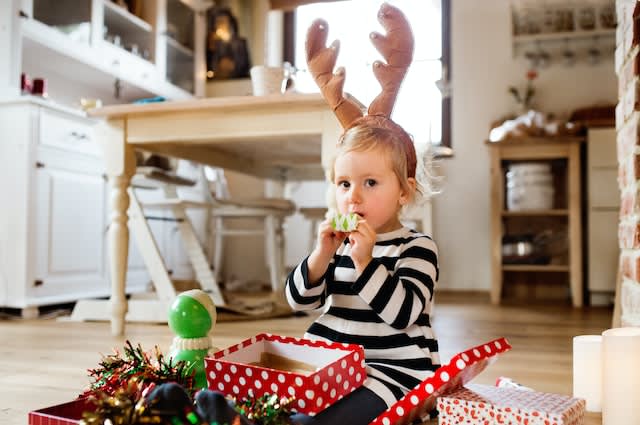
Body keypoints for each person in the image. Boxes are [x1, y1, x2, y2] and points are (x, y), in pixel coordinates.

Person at [284, 3, 440, 424]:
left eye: (371, 183)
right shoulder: (337, 244)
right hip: (331, 365)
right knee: (279, 405)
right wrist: (319, 257)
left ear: (404, 192)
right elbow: (299, 302)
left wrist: (366, 263)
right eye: (344, 184)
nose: (354, 196)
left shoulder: (417, 247)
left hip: (393, 373)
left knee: (339, 419)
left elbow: (403, 314)